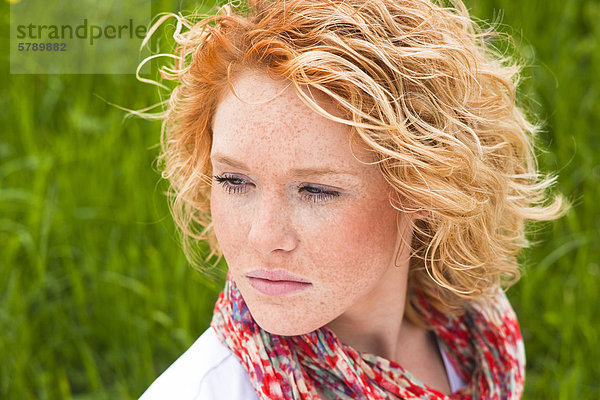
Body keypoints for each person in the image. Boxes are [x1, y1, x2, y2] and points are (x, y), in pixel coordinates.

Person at [138, 0, 566, 398]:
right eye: (234, 181)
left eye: (315, 190)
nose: (263, 237)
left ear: (425, 185)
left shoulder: (479, 334)